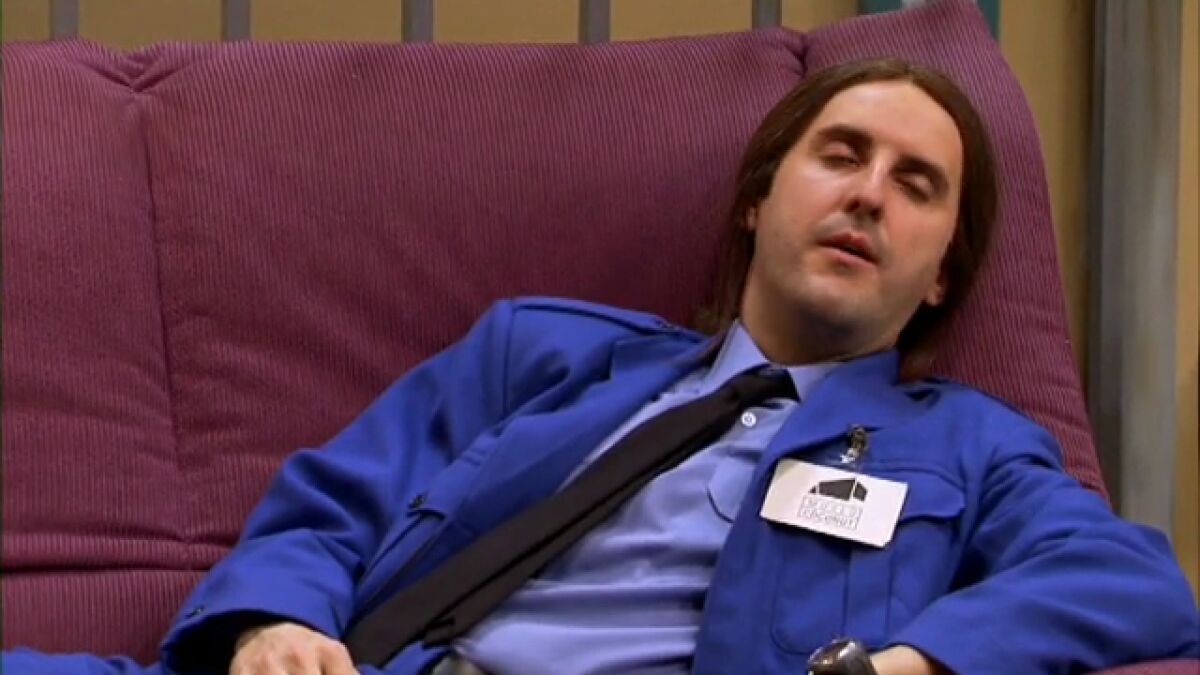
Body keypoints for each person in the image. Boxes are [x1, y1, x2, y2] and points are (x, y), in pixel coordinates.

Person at [5, 58, 1198, 675]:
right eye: (841, 155)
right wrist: (272, 622)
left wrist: (918, 663)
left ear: (942, 274)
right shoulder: (541, 352)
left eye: (917, 184)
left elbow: (1131, 581)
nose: (869, 195)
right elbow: (331, 507)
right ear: (758, 201)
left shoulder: (970, 445)